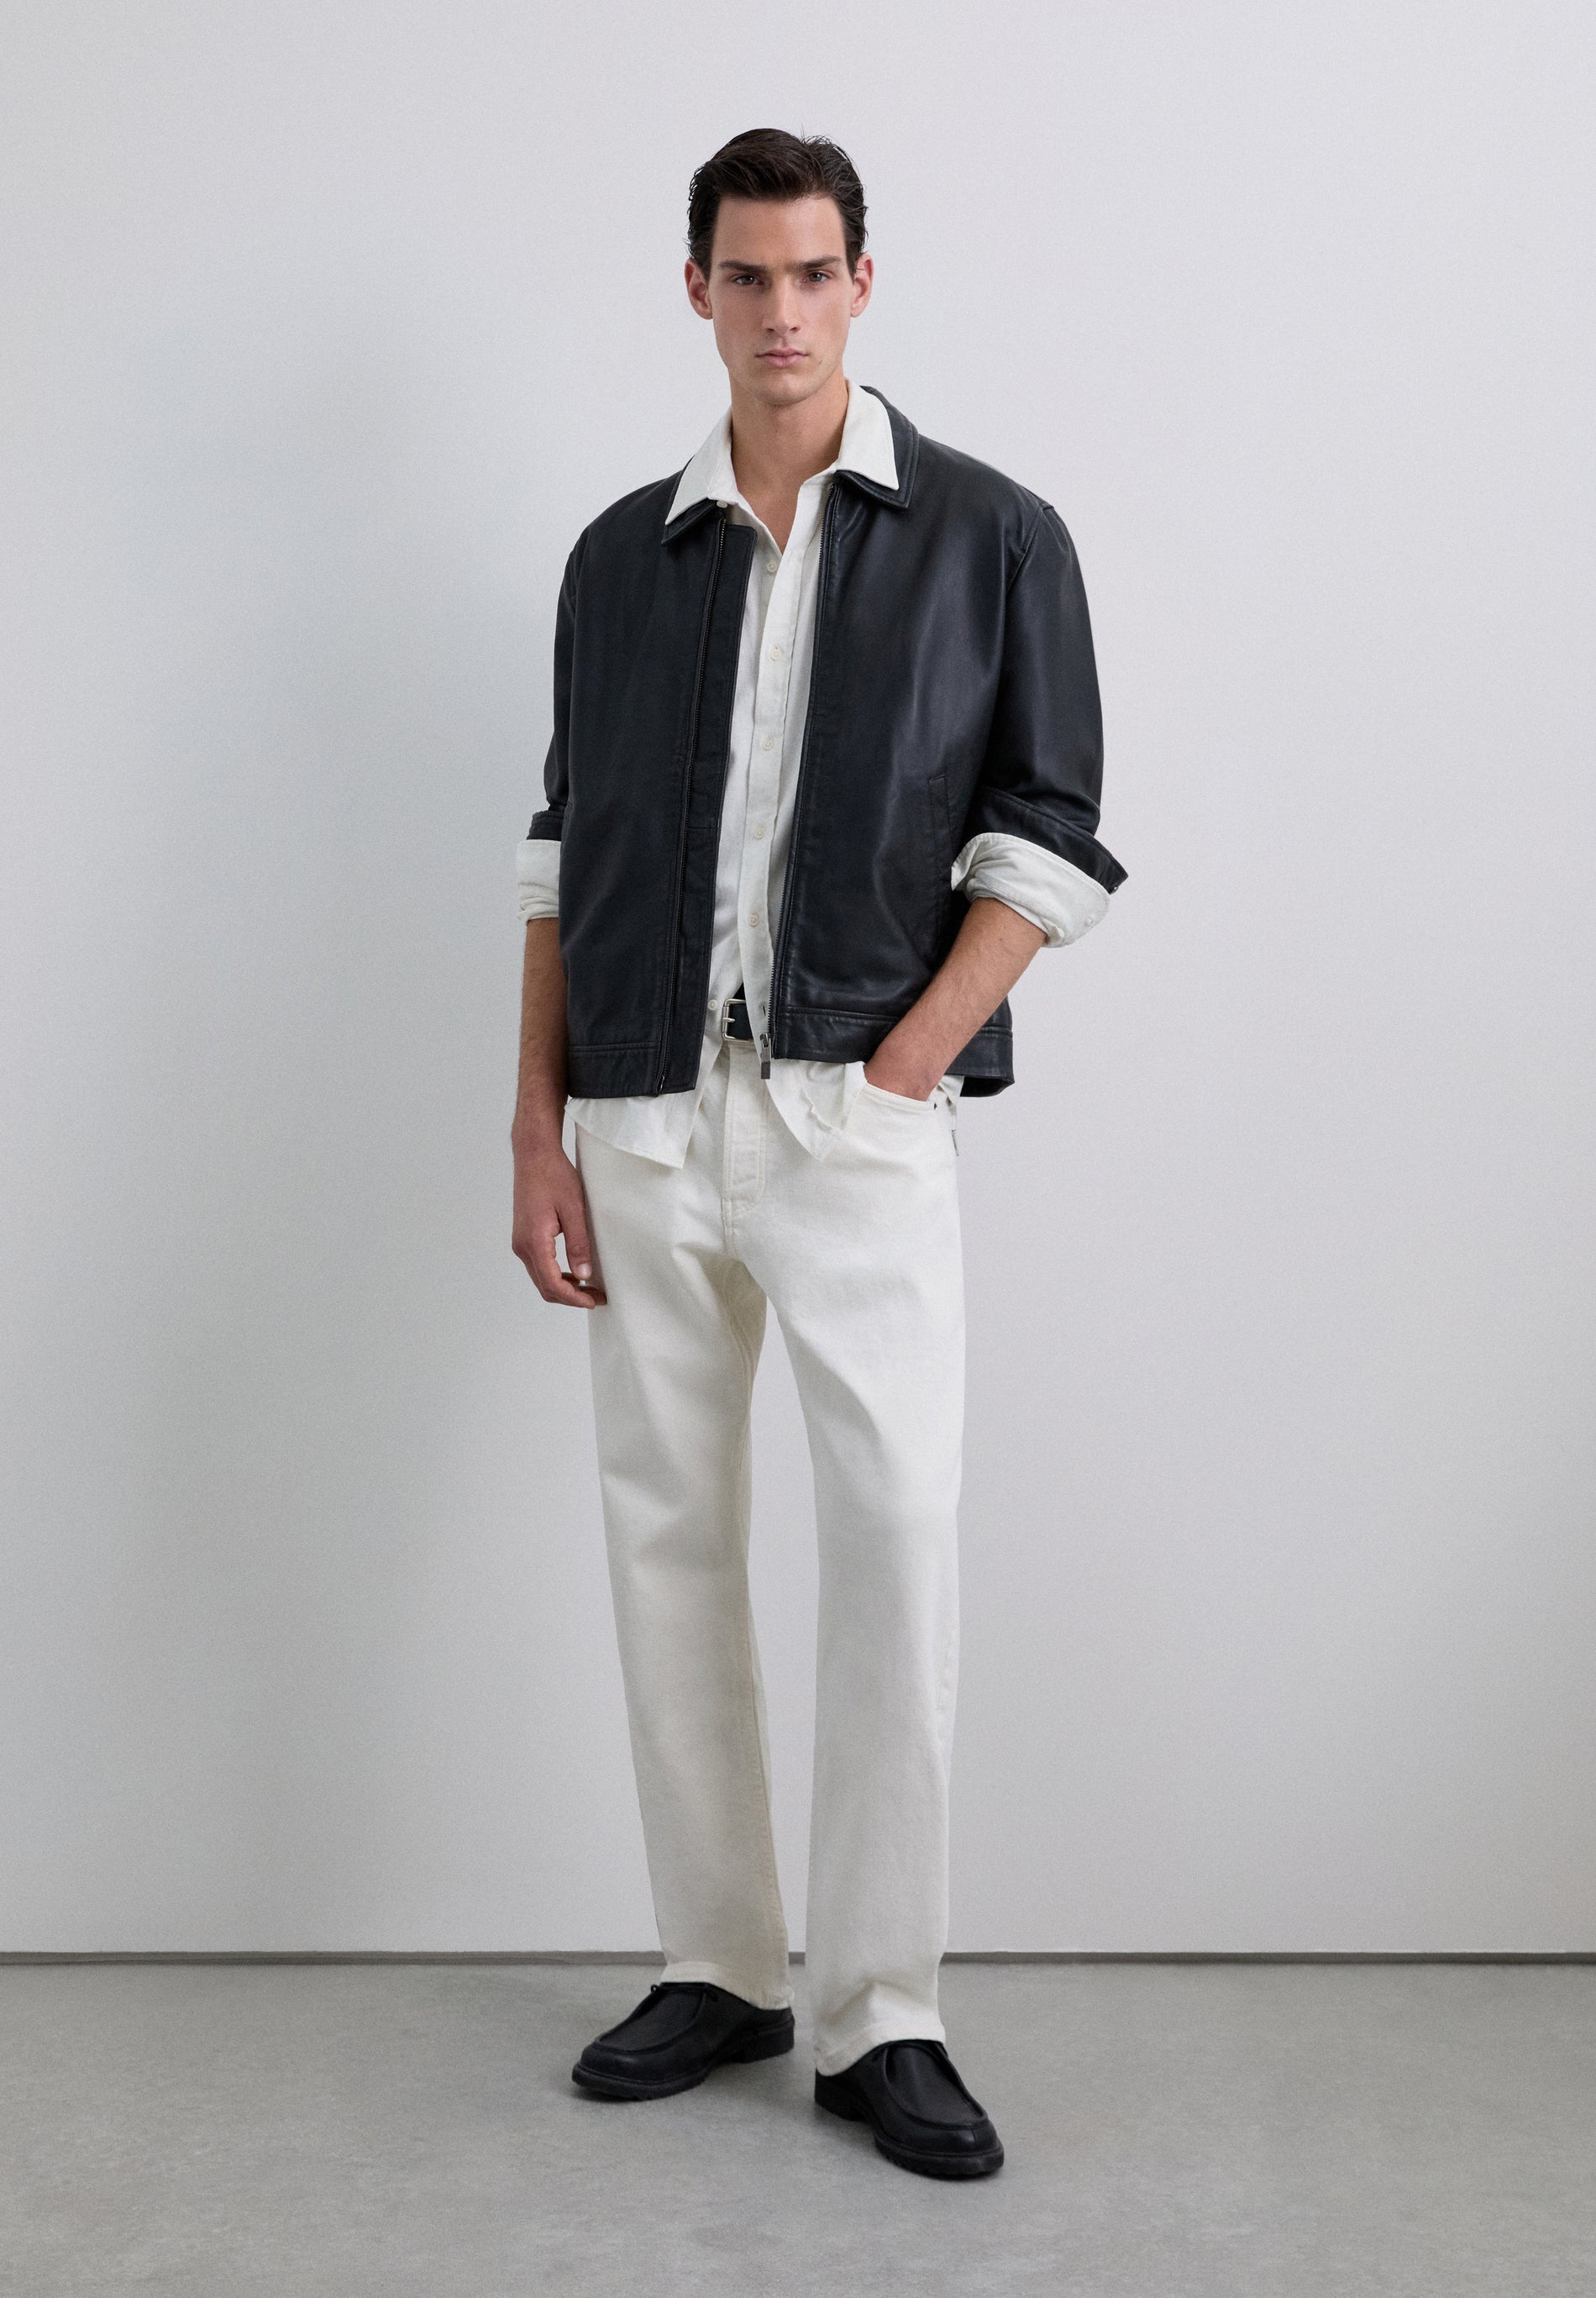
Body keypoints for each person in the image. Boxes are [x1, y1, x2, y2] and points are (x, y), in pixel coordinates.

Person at [511, 127, 1126, 2181]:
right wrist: (537, 1128)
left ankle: (880, 2013)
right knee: (665, 1543)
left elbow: (1048, 837)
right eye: (744, 276)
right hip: (640, 1117)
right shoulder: (619, 558)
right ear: (693, 287)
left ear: (863, 280)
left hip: (852, 1120)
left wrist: (901, 1069)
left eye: (811, 273)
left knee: (890, 1544)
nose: (779, 313)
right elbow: (559, 853)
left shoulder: (990, 535)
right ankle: (717, 1964)